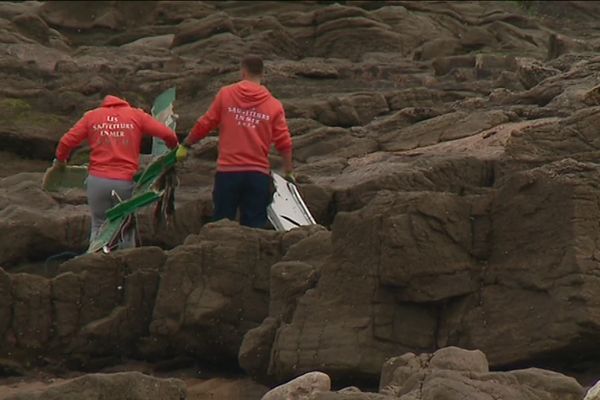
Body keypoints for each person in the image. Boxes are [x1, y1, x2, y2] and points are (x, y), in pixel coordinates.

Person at [177, 54, 294, 228]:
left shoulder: (226, 94)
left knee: (221, 224)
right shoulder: (273, 105)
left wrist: (187, 144)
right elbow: (284, 141)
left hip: (228, 172)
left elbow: (206, 123)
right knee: (254, 227)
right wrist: (288, 172)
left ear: (243, 71)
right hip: (257, 174)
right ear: (262, 74)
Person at [46, 95, 179, 246]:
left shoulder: (92, 116)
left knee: (99, 226)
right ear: (124, 102)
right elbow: (168, 134)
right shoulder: (136, 115)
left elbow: (66, 141)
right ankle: (126, 264)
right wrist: (172, 150)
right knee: (126, 227)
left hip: (97, 181)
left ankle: (95, 262)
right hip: (124, 182)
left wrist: (61, 162)